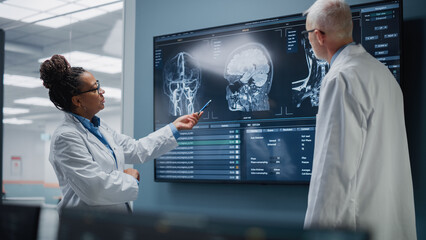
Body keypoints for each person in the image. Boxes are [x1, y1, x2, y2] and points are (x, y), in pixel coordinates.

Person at [302, 1, 417, 240]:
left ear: (319, 36)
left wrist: (316, 234)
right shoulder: (383, 74)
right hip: (390, 224)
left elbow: (331, 172)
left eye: (308, 34)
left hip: (356, 227)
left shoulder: (340, 79)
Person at [40, 54, 202, 215]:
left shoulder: (99, 127)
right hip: (87, 225)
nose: (102, 91)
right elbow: (95, 189)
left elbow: (136, 149)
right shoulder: (66, 137)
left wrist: (175, 127)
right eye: (95, 88)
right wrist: (131, 179)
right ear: (77, 101)